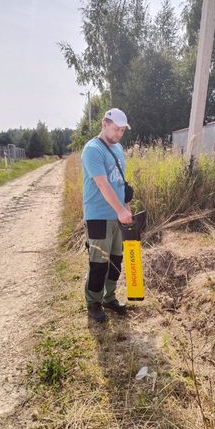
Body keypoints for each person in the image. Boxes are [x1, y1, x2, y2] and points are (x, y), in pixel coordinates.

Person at [81, 108, 133, 323]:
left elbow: (121, 182)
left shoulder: (119, 148)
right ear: (104, 124)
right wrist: (120, 210)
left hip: (119, 217)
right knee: (99, 263)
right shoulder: (93, 150)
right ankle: (94, 302)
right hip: (99, 216)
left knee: (115, 261)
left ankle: (110, 298)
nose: (119, 134)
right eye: (116, 129)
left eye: (122, 130)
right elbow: (103, 184)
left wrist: (127, 207)